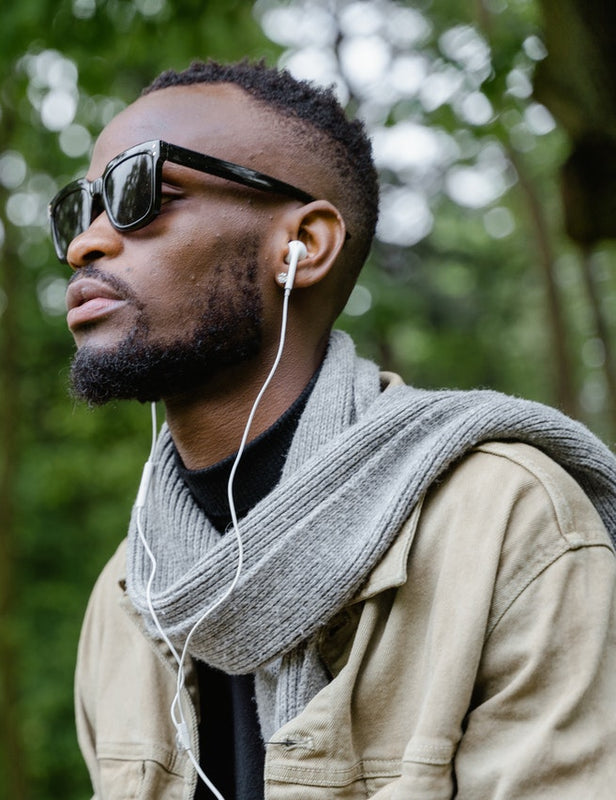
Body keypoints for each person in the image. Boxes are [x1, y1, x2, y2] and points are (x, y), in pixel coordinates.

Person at [50, 59, 616, 799]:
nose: (84, 244)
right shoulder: (131, 591)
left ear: (303, 246)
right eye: (78, 209)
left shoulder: (508, 520)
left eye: (137, 191)